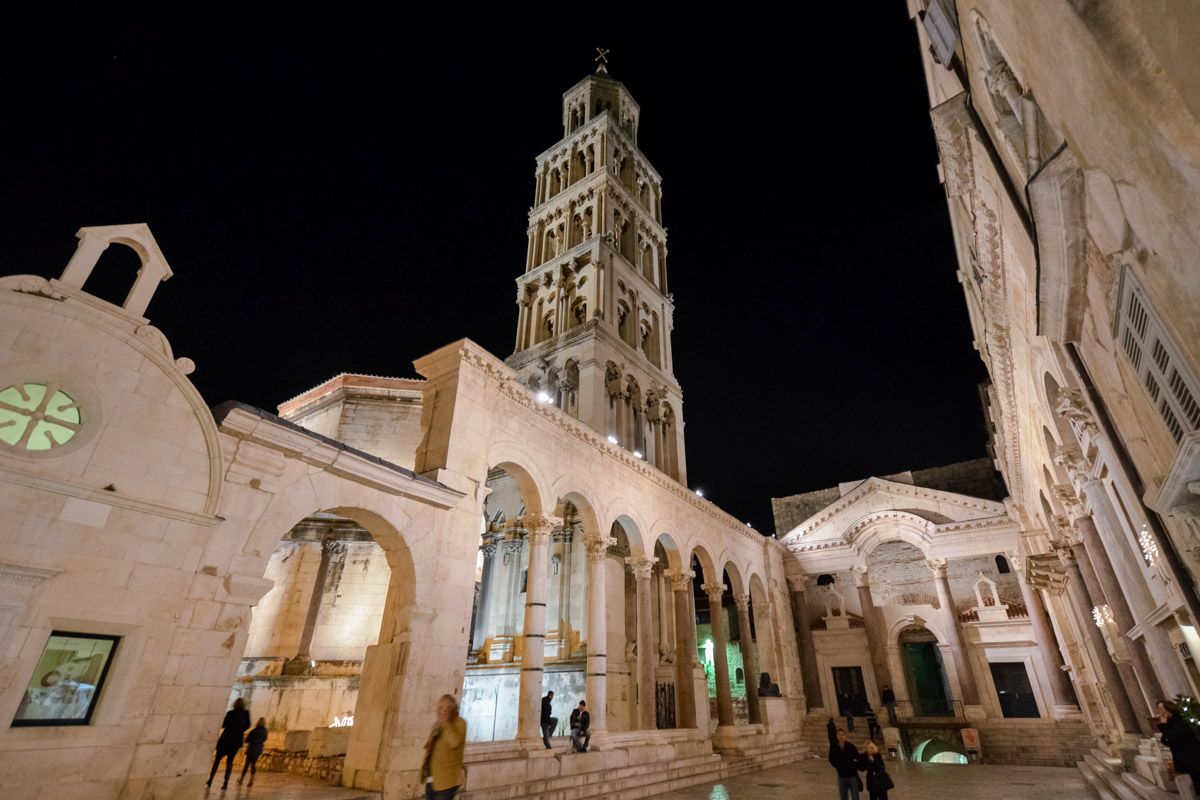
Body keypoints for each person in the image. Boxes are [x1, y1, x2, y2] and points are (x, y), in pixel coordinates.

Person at [421, 694, 466, 800]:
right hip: (432, 778)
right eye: (439, 707)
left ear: (450, 709)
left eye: (442, 707)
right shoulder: (438, 724)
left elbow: (454, 742)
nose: (439, 710)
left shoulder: (459, 723)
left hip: (447, 781)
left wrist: (446, 723)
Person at [207, 697, 251, 789]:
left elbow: (224, 724)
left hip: (225, 740)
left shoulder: (231, 713)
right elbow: (248, 725)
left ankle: (210, 780)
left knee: (217, 761)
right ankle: (225, 782)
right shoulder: (246, 714)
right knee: (229, 763)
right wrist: (239, 730)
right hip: (235, 742)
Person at [1157, 699, 1200, 790]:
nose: (1160, 712)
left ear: (1169, 710)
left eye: (1161, 709)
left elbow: (1171, 739)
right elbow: (1166, 741)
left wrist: (1163, 726)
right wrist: (1164, 726)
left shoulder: (1179, 723)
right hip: (1185, 759)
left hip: (1191, 759)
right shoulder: (1171, 724)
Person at [829, 727, 861, 800]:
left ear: (845, 736)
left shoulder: (851, 746)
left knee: (855, 796)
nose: (841, 737)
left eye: (842, 735)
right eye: (839, 735)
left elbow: (857, 758)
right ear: (837, 736)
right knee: (843, 797)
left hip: (852, 776)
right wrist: (838, 766)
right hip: (841, 776)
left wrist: (853, 767)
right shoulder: (834, 747)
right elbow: (831, 759)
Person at [239, 717, 268, 787]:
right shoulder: (265, 731)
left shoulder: (253, 731)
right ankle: (251, 780)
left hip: (251, 749)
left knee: (246, 765)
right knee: (253, 765)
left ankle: (241, 779)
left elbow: (247, 740)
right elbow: (264, 739)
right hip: (258, 750)